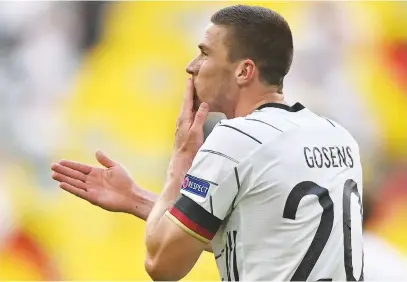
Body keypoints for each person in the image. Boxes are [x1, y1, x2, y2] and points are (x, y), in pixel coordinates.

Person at [51, 5, 364, 281]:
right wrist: (136, 198)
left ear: (244, 71)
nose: (192, 65)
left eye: (204, 52)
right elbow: (255, 235)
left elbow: (161, 264)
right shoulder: (338, 136)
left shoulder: (235, 139)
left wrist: (181, 159)